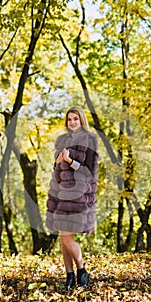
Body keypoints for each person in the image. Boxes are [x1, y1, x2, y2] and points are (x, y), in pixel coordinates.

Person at [46, 106, 99, 290]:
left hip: (78, 197)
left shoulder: (90, 140)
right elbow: (57, 172)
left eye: (76, 119)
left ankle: (82, 270)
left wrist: (70, 161)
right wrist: (58, 163)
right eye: (69, 119)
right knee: (63, 239)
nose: (72, 122)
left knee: (68, 239)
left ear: (81, 120)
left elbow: (89, 172)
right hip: (62, 196)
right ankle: (70, 277)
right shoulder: (63, 142)